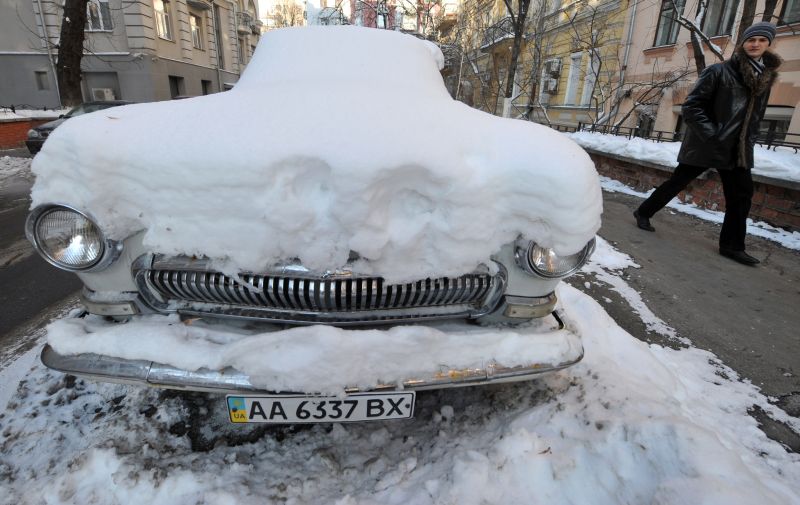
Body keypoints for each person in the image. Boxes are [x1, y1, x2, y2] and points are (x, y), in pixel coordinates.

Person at [633, 22, 782, 266]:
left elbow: (753, 116)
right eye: (751, 40)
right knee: (677, 183)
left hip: (738, 149)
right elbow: (692, 106)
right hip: (708, 144)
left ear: (768, 44)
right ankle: (643, 212)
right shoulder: (719, 71)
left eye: (762, 40)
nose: (755, 44)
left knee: (741, 196)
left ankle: (732, 246)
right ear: (743, 43)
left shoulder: (764, 77)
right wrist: (713, 135)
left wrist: (747, 141)